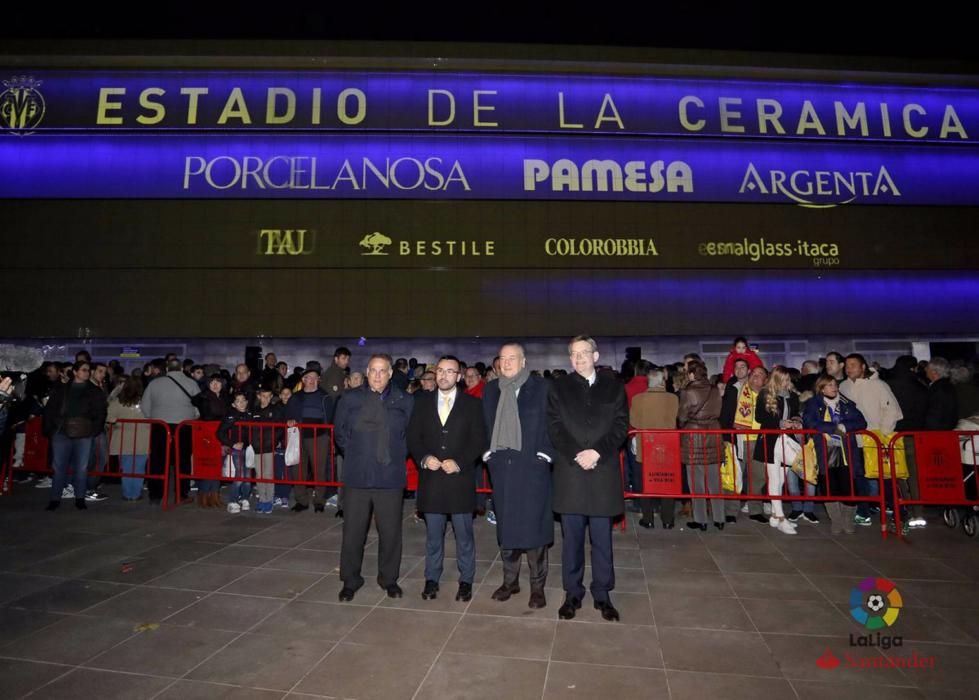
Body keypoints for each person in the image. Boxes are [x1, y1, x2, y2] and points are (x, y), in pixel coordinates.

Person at [547, 336, 628, 621]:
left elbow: (620, 426)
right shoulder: (559, 387)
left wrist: (596, 452)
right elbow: (555, 427)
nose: (579, 358)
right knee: (572, 541)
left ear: (596, 356)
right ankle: (572, 593)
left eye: (584, 353)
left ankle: (603, 594)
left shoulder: (613, 387)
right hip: (571, 473)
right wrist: (577, 454)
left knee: (602, 540)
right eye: (573, 354)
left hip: (602, 471)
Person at [334, 354, 414, 602]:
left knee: (390, 533)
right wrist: (360, 453)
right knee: (353, 532)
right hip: (358, 476)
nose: (378, 375)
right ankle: (351, 580)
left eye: (383, 371)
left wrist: (393, 454)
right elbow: (340, 434)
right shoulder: (350, 398)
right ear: (367, 372)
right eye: (373, 370)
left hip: (389, 477)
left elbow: (410, 436)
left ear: (390, 373)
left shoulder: (405, 400)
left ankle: (388, 579)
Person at [407, 355, 487, 602]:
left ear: (458, 376)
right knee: (433, 537)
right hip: (431, 480)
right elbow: (413, 438)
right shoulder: (421, 403)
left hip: (459, 480)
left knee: (464, 536)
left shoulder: (472, 405)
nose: (443, 375)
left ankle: (466, 581)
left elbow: (479, 439)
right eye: (440, 371)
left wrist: (461, 462)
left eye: (449, 371)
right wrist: (424, 458)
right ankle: (431, 578)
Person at [482, 342, 555, 609]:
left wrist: (545, 454)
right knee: (508, 528)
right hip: (503, 469)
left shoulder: (541, 388)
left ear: (524, 362)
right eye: (503, 358)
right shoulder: (491, 390)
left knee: (534, 530)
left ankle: (538, 587)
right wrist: (487, 454)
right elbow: (483, 425)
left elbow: (553, 424)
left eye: (513, 358)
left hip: (532, 468)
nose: (508, 363)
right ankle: (510, 582)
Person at [840, 353, 902, 526]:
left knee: (885, 476)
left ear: (863, 367)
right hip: (855, 440)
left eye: (853, 365)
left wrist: (883, 433)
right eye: (846, 365)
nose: (848, 368)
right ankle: (864, 510)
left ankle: (894, 508)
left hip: (876, 439)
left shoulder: (879, 385)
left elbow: (891, 410)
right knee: (859, 475)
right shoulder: (843, 387)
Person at [802, 375, 866, 535]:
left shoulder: (845, 403)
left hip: (846, 452)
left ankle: (848, 520)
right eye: (829, 385)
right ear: (822, 388)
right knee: (829, 488)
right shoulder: (813, 403)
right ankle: (836, 521)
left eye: (835, 384)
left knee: (848, 487)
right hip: (825, 451)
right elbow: (810, 422)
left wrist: (845, 426)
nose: (834, 387)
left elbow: (861, 421)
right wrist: (833, 428)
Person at [42, 361, 107, 511]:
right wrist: (51, 430)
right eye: (84, 370)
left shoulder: (94, 391)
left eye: (88, 370)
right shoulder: (62, 389)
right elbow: (50, 409)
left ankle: (79, 498)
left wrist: (94, 430)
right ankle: (55, 498)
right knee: (59, 467)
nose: (87, 373)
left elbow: (100, 412)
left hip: (84, 433)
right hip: (62, 432)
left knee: (81, 467)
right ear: (76, 371)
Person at [141, 358, 200, 503]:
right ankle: (181, 494)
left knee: (158, 460)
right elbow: (199, 406)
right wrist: (193, 416)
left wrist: (153, 417)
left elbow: (145, 405)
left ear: (167, 369)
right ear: (181, 369)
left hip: (160, 426)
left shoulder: (154, 383)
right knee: (183, 460)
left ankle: (155, 495)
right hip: (183, 426)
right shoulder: (191, 383)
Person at [677, 360, 726, 531]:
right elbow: (719, 411)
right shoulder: (714, 390)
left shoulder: (688, 391)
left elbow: (682, 416)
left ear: (691, 374)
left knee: (696, 479)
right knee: (714, 478)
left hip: (694, 435)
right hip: (714, 432)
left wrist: (685, 424)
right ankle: (719, 518)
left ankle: (701, 520)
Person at [754, 366, 802, 535]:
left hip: (787, 440)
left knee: (781, 478)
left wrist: (796, 421)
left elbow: (796, 413)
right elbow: (759, 417)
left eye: (788, 379)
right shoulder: (765, 394)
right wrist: (780, 423)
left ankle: (775, 515)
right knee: (775, 478)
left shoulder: (793, 396)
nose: (787, 382)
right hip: (771, 440)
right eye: (784, 379)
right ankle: (781, 517)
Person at [630, 367, 680, 528]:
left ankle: (648, 519)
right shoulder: (673, 399)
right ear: (662, 381)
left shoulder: (638, 399)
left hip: (645, 445)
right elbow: (675, 420)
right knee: (667, 482)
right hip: (668, 445)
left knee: (645, 482)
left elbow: (634, 422)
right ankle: (667, 520)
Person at [285, 367, 336, 513]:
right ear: (303, 380)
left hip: (319, 437)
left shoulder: (325, 397)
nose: (312, 380)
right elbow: (287, 415)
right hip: (298, 436)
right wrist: (289, 421)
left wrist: (328, 435)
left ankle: (319, 501)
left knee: (319, 470)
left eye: (315, 378)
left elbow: (331, 417)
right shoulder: (295, 397)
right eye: (309, 377)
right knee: (298, 469)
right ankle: (301, 500)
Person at [107, 376, 152, 501]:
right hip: (143, 438)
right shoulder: (146, 402)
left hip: (122, 439)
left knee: (126, 467)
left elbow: (109, 417)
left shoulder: (117, 401)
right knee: (139, 467)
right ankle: (136, 493)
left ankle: (127, 493)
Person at [251, 385, 285, 514]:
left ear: (271, 397)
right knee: (259, 475)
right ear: (259, 396)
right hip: (256, 447)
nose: (265, 399)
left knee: (268, 474)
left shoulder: (275, 411)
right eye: (263, 396)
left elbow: (280, 428)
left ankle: (269, 500)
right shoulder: (254, 411)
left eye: (268, 396)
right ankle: (262, 499)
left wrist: (274, 440)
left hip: (269, 446)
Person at [197, 374, 229, 507]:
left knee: (217, 466)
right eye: (212, 382)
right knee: (207, 466)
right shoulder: (203, 397)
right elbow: (206, 416)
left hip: (220, 435)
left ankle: (215, 494)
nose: (215, 385)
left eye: (218, 382)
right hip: (208, 436)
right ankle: (205, 495)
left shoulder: (225, 398)